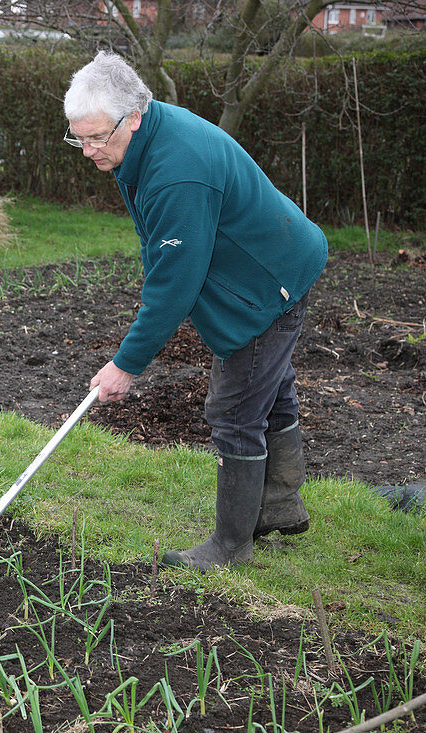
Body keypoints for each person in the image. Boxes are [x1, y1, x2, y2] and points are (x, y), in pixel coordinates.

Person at [63, 52, 328, 570]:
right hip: (273, 262)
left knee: (234, 411)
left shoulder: (177, 170)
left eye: (97, 137)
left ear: (133, 115)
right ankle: (280, 506)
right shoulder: (143, 141)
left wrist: (126, 365)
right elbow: (164, 248)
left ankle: (231, 547)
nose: (89, 150)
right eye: (79, 138)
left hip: (266, 283)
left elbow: (174, 282)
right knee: (270, 392)